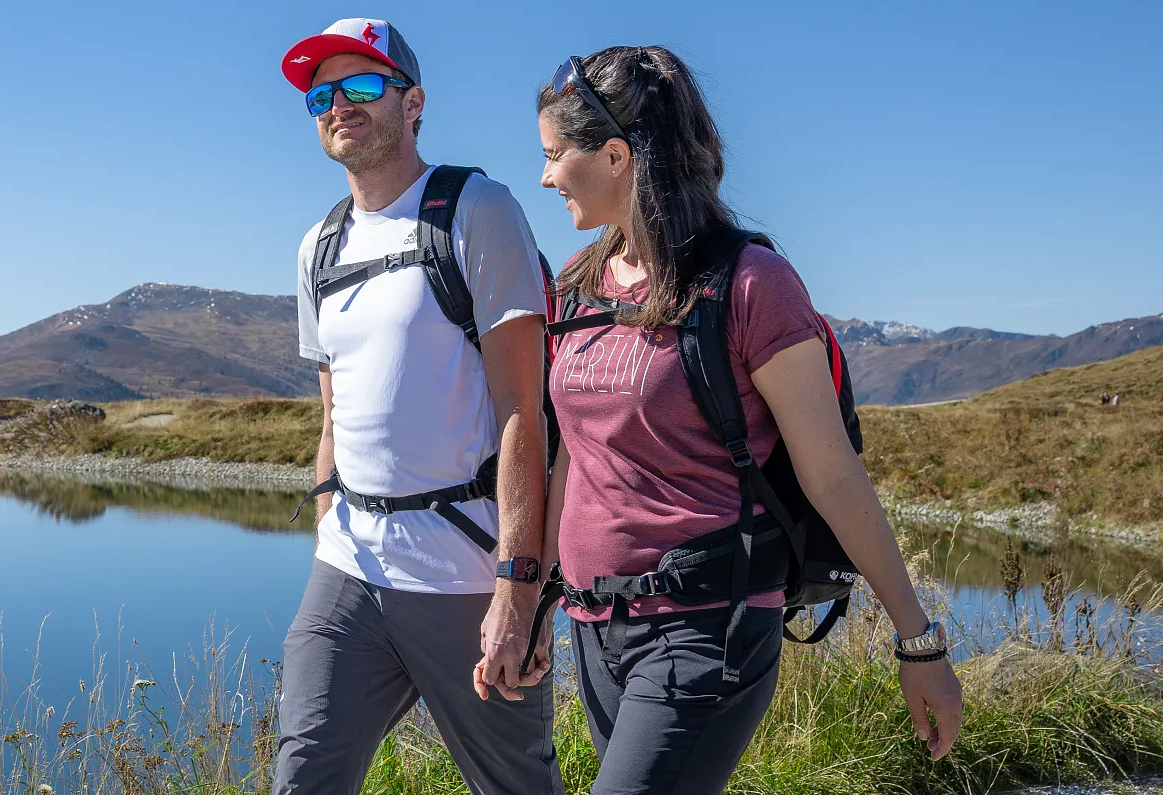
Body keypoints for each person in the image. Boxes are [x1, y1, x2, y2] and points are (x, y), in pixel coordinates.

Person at [532, 45, 964, 793]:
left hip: (706, 627)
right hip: (594, 626)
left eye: (552, 154)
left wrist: (917, 642)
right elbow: (573, 454)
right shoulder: (577, 287)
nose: (543, 176)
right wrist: (539, 594)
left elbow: (832, 472)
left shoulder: (752, 283)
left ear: (612, 157)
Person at [274, 18, 558, 795]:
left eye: (363, 85)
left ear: (415, 101)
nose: (340, 104)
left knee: (518, 786)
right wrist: (329, 517)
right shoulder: (317, 247)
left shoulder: (478, 209)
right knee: (301, 777)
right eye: (322, 93)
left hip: (465, 576)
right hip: (349, 569)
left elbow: (521, 411)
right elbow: (334, 414)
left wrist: (520, 585)